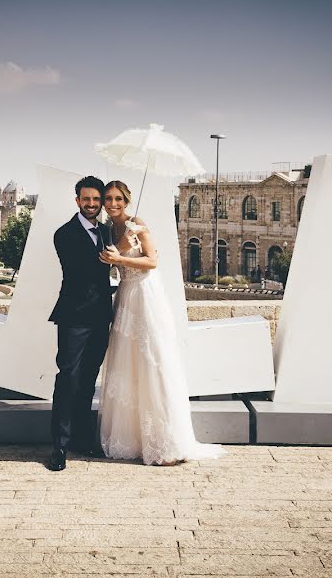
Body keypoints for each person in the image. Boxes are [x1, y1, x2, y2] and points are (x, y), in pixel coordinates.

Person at [97, 181, 225, 466]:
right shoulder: (108, 230)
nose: (113, 203)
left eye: (118, 198)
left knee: (152, 361)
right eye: (109, 198)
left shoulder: (137, 223)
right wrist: (115, 256)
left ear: (127, 201)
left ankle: (164, 442)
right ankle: (132, 440)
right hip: (125, 299)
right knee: (127, 365)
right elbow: (111, 266)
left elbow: (153, 261)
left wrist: (118, 257)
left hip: (145, 296)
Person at [45, 176, 114, 471]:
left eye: (96, 200)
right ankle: (59, 446)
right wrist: (112, 260)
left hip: (101, 317)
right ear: (77, 200)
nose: (91, 204)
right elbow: (79, 271)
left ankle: (82, 440)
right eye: (86, 199)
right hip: (74, 317)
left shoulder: (107, 231)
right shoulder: (64, 234)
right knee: (68, 378)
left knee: (88, 380)